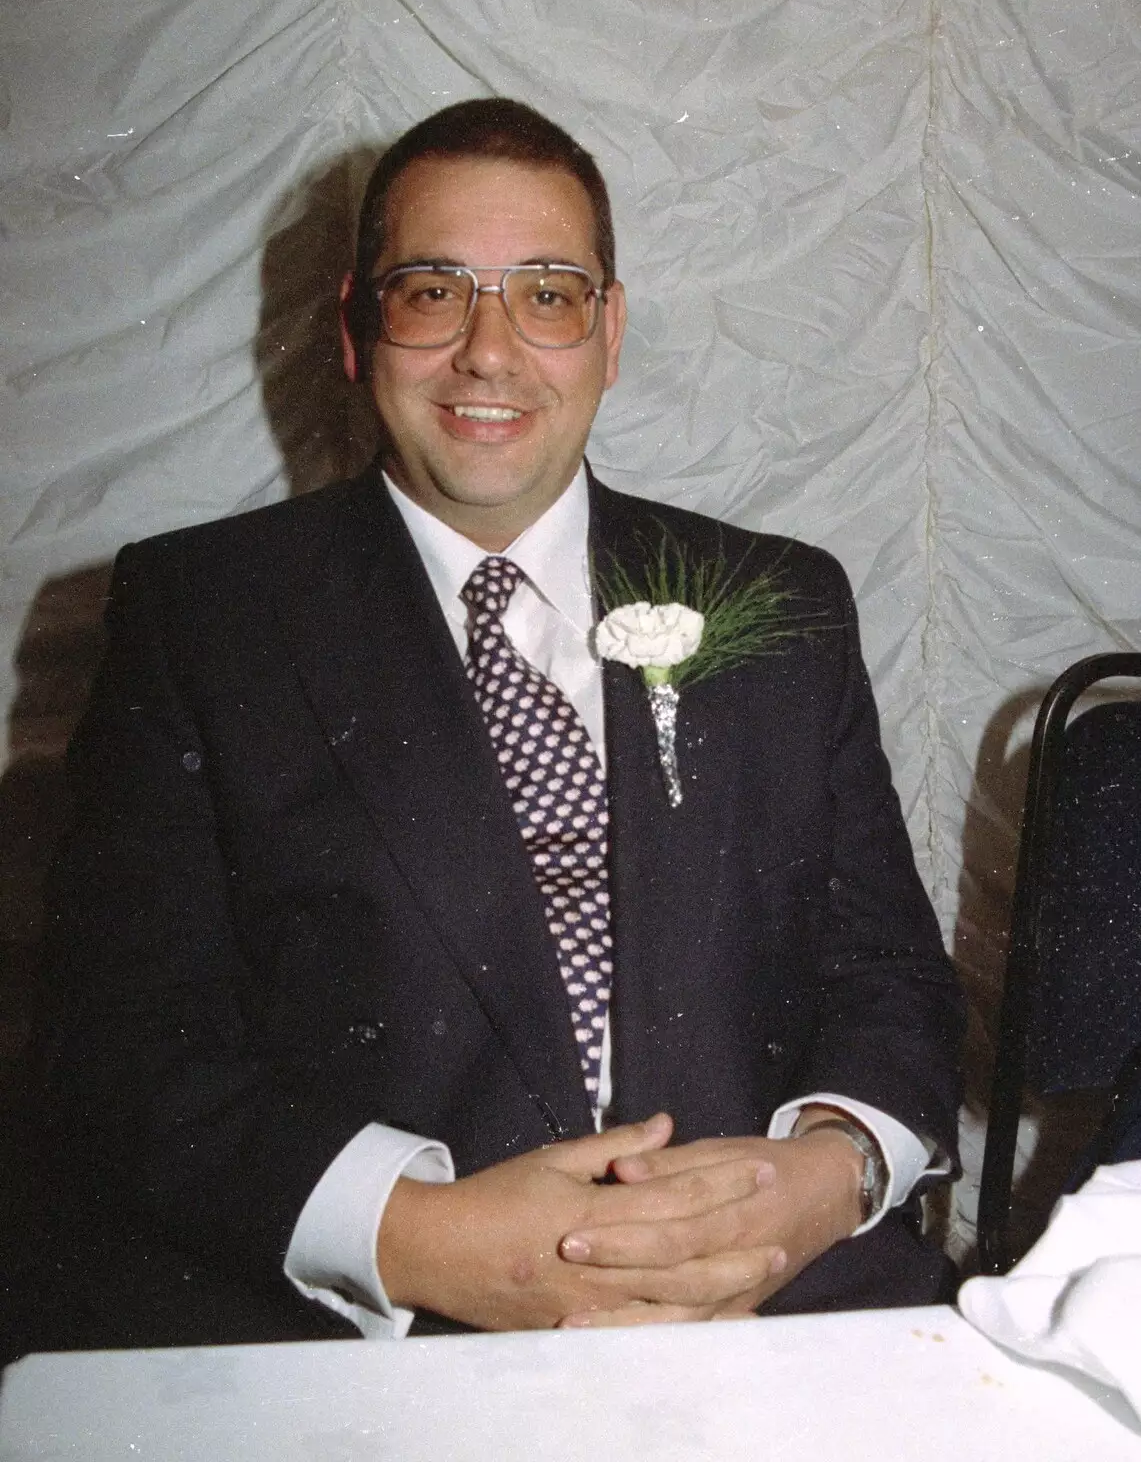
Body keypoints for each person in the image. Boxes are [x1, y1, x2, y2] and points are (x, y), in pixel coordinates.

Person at [42, 98, 964, 1349]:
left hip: (773, 1304)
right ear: (359, 334)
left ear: (609, 333)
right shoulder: (202, 615)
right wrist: (418, 1240)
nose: (490, 350)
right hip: (378, 1345)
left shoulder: (782, 598)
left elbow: (892, 979)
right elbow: (123, 1044)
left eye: (547, 293)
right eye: (433, 291)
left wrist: (825, 1174)